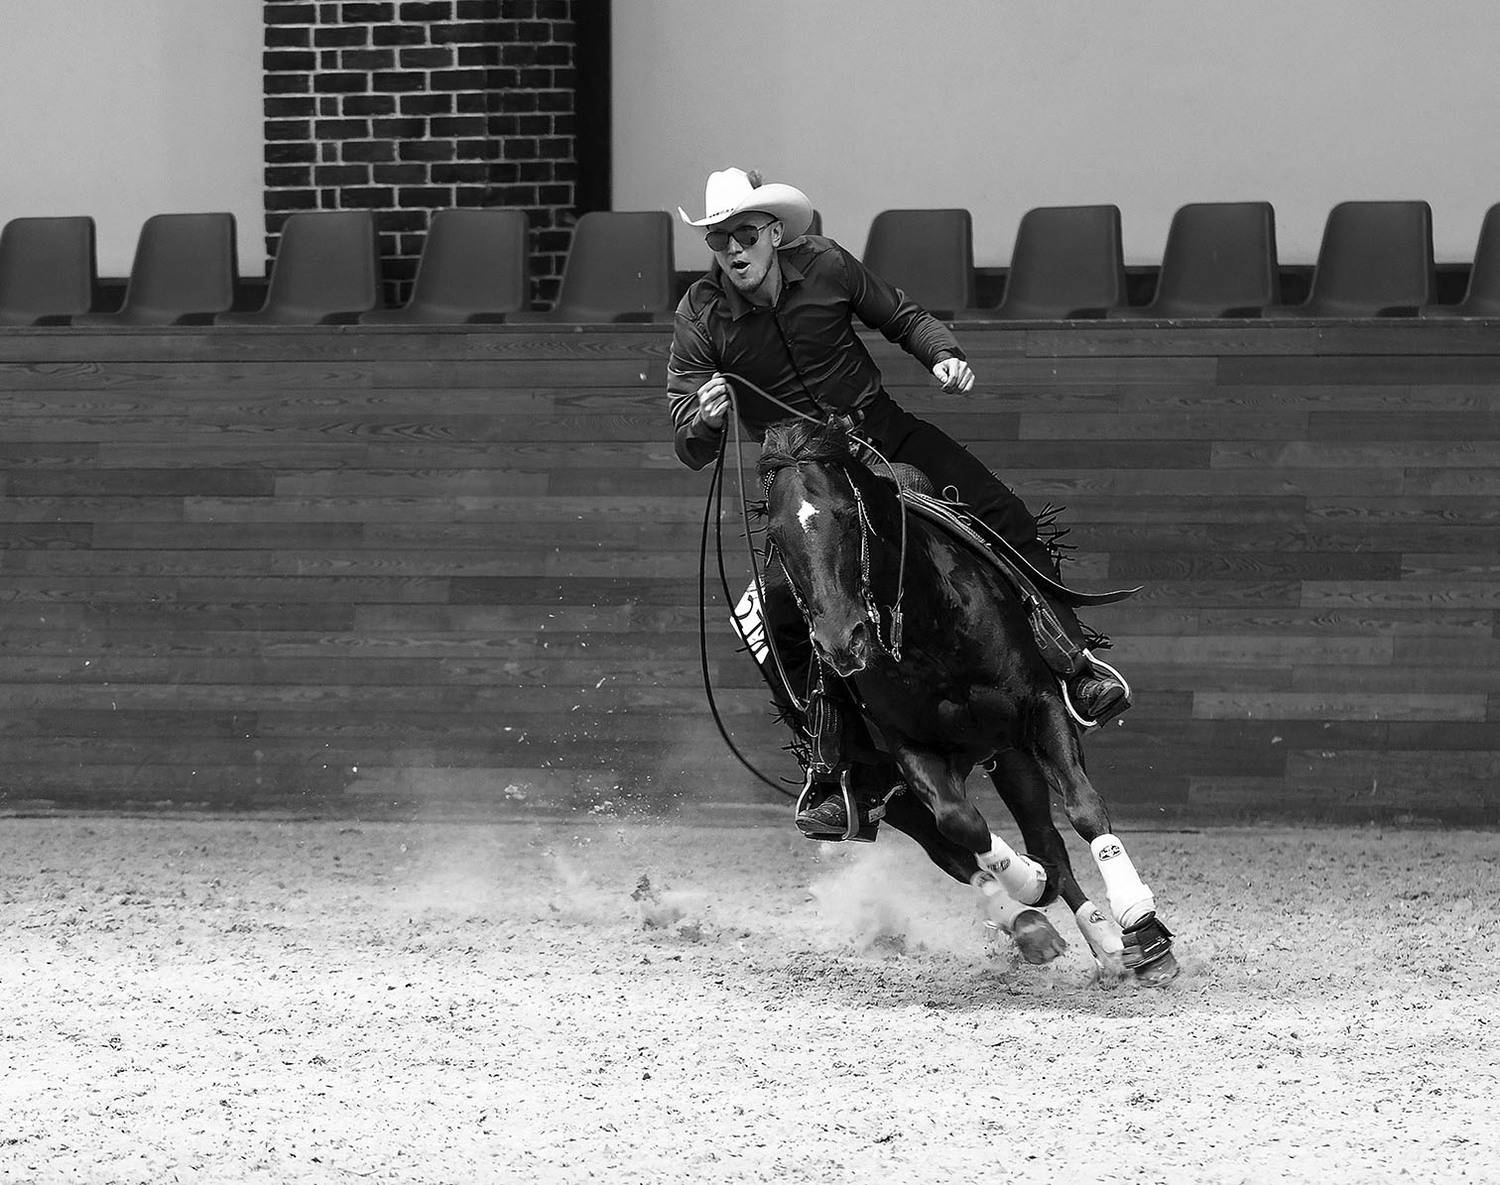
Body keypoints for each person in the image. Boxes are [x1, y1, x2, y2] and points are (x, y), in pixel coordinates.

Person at [666, 167, 1129, 838]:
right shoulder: (701, 314)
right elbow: (688, 438)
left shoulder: (824, 265)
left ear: (772, 232)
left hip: (878, 429)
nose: (733, 249)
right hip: (801, 474)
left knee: (1005, 514)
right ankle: (834, 773)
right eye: (719, 238)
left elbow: (900, 315)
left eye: (744, 233)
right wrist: (706, 419)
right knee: (774, 619)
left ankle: (1072, 665)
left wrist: (940, 353)